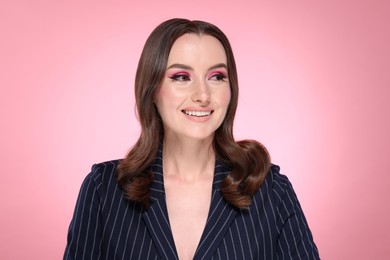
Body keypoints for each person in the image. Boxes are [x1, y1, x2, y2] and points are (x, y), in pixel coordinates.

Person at [64, 18, 320, 260]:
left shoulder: (272, 191)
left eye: (217, 77)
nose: (203, 95)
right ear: (152, 90)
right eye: (181, 77)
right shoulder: (103, 189)